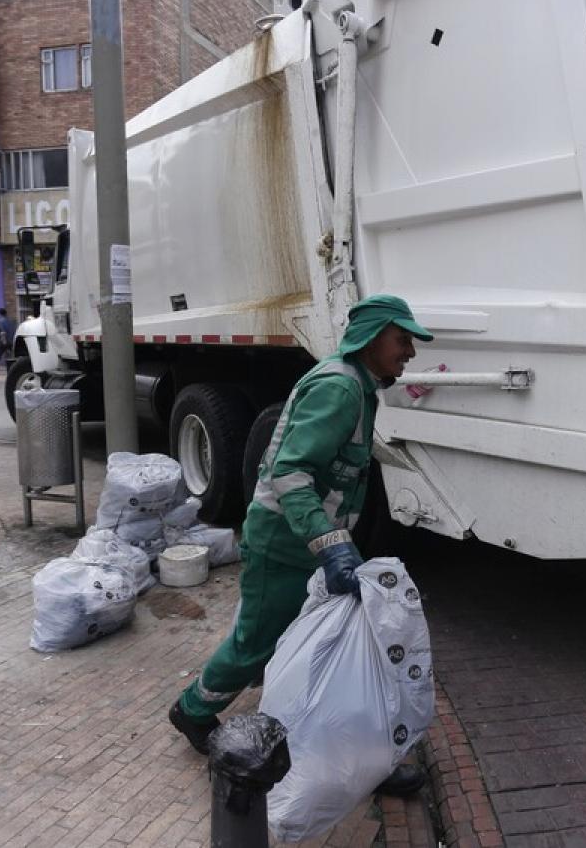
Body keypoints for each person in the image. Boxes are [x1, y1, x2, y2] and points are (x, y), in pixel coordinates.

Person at [168, 294, 434, 796]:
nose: (410, 353)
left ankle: (355, 756)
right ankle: (193, 709)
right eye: (403, 340)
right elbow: (291, 472)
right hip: (284, 543)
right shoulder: (339, 388)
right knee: (256, 643)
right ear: (375, 338)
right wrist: (331, 545)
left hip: (305, 543)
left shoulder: (357, 384)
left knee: (324, 651)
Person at [0, 308, 17, 372]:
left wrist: (4, 341)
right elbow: (14, 330)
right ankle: (10, 368)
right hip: (11, 340)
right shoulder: (11, 321)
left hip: (4, 340)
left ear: (0, 314)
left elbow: (3, 332)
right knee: (11, 355)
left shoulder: (0, 321)